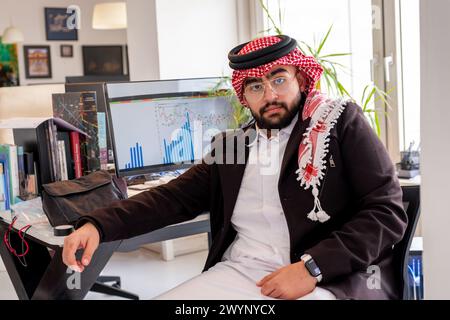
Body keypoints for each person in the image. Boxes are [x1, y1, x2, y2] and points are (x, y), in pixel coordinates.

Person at [62, 35, 407, 300]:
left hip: (328, 276)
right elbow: (172, 198)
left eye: (279, 80)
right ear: (244, 95)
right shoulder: (232, 146)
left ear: (301, 79)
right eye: (256, 86)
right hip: (241, 274)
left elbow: (386, 211)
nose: (269, 94)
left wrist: (312, 267)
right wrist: (98, 224)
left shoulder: (338, 123)